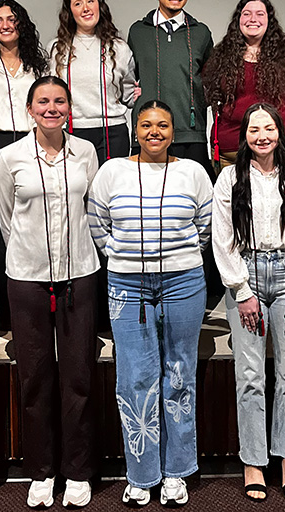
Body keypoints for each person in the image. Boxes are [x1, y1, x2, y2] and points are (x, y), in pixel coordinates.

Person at [89, 100, 213, 507]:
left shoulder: (193, 172)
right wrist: (124, 256)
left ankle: (176, 471)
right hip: (127, 284)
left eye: (162, 125)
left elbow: (206, 225)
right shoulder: (112, 171)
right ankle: (141, 475)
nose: (154, 132)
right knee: (134, 379)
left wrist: (176, 259)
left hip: (183, 282)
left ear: (173, 132)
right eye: (146, 125)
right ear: (135, 130)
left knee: (179, 374)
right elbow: (97, 222)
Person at [0, 76, 101, 508]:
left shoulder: (86, 153)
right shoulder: (9, 157)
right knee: (34, 378)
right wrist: (31, 252)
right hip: (27, 277)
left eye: (59, 101)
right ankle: (40, 471)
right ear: (30, 109)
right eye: (43, 101)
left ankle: (77, 470)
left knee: (78, 377)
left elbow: (94, 208)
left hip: (80, 275)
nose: (51, 107)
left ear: (69, 108)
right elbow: (6, 219)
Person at [212, 103, 285, 501]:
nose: (262, 135)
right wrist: (241, 292)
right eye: (254, 129)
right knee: (251, 376)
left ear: (280, 133)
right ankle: (254, 461)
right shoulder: (228, 179)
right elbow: (221, 239)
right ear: (245, 136)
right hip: (248, 271)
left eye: (269, 128)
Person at [204, 0, 285, 169]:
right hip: (232, 148)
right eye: (246, 14)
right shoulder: (221, 57)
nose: (253, 19)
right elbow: (211, 92)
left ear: (269, 20)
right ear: (238, 19)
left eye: (260, 14)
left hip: (284, 147)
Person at [128, 0, 214, 175]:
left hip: (190, 133)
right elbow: (127, 78)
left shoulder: (201, 33)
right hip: (148, 132)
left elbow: (211, 79)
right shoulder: (138, 32)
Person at [49, 0, 138, 161]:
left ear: (100, 5)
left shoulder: (120, 48)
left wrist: (138, 94)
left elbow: (128, 96)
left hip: (113, 133)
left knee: (110, 188)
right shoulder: (57, 49)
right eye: (78, 3)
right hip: (71, 132)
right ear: (70, 12)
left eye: (90, 1)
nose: (86, 8)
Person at [0, 0, 49, 150]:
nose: (5, 26)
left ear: (22, 25)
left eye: (12, 20)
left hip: (31, 140)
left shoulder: (39, 66)